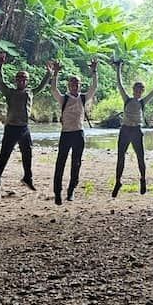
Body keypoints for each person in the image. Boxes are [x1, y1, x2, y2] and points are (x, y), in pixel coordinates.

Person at [0, 52, 49, 201]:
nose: (22, 80)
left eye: (24, 78)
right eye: (19, 78)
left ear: (27, 81)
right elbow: (0, 81)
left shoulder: (31, 92)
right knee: (4, 157)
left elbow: (41, 85)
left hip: (24, 128)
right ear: (16, 80)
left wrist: (49, 73)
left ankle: (27, 178)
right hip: (11, 128)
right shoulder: (10, 92)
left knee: (27, 154)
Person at [111, 60, 153, 198]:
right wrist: (119, 68)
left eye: (141, 90)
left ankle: (142, 179)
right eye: (136, 89)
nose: (138, 92)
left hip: (136, 131)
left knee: (140, 157)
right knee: (120, 157)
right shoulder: (127, 99)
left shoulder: (142, 101)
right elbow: (120, 84)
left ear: (142, 92)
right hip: (125, 130)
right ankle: (118, 182)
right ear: (133, 90)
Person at [48, 59, 98, 206]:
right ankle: (57, 193)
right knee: (60, 164)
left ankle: (71, 190)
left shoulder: (83, 98)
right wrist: (55, 73)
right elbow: (53, 90)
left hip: (79, 134)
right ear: (69, 86)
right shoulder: (63, 99)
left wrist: (94, 72)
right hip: (66, 134)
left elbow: (94, 88)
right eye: (72, 84)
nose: (75, 86)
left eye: (77, 84)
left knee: (76, 163)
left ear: (80, 86)